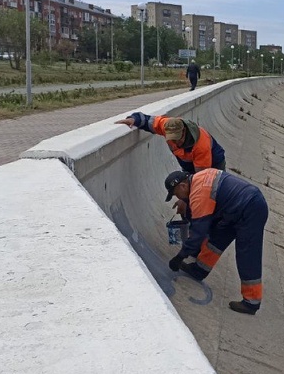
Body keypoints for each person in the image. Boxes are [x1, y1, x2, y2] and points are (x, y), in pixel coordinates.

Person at [164, 169, 269, 315]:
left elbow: (198, 233)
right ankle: (199, 269)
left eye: (176, 194)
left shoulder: (199, 194)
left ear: (182, 186)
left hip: (251, 208)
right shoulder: (198, 179)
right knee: (217, 238)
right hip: (235, 208)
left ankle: (251, 302)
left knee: (247, 253)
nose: (177, 197)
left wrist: (180, 256)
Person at [115, 113, 226, 174]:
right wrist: (133, 119)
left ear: (184, 131)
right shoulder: (167, 126)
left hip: (214, 163)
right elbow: (148, 120)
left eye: (178, 139)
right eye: (172, 139)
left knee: (213, 193)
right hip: (189, 164)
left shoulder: (201, 145)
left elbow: (202, 178)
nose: (175, 142)